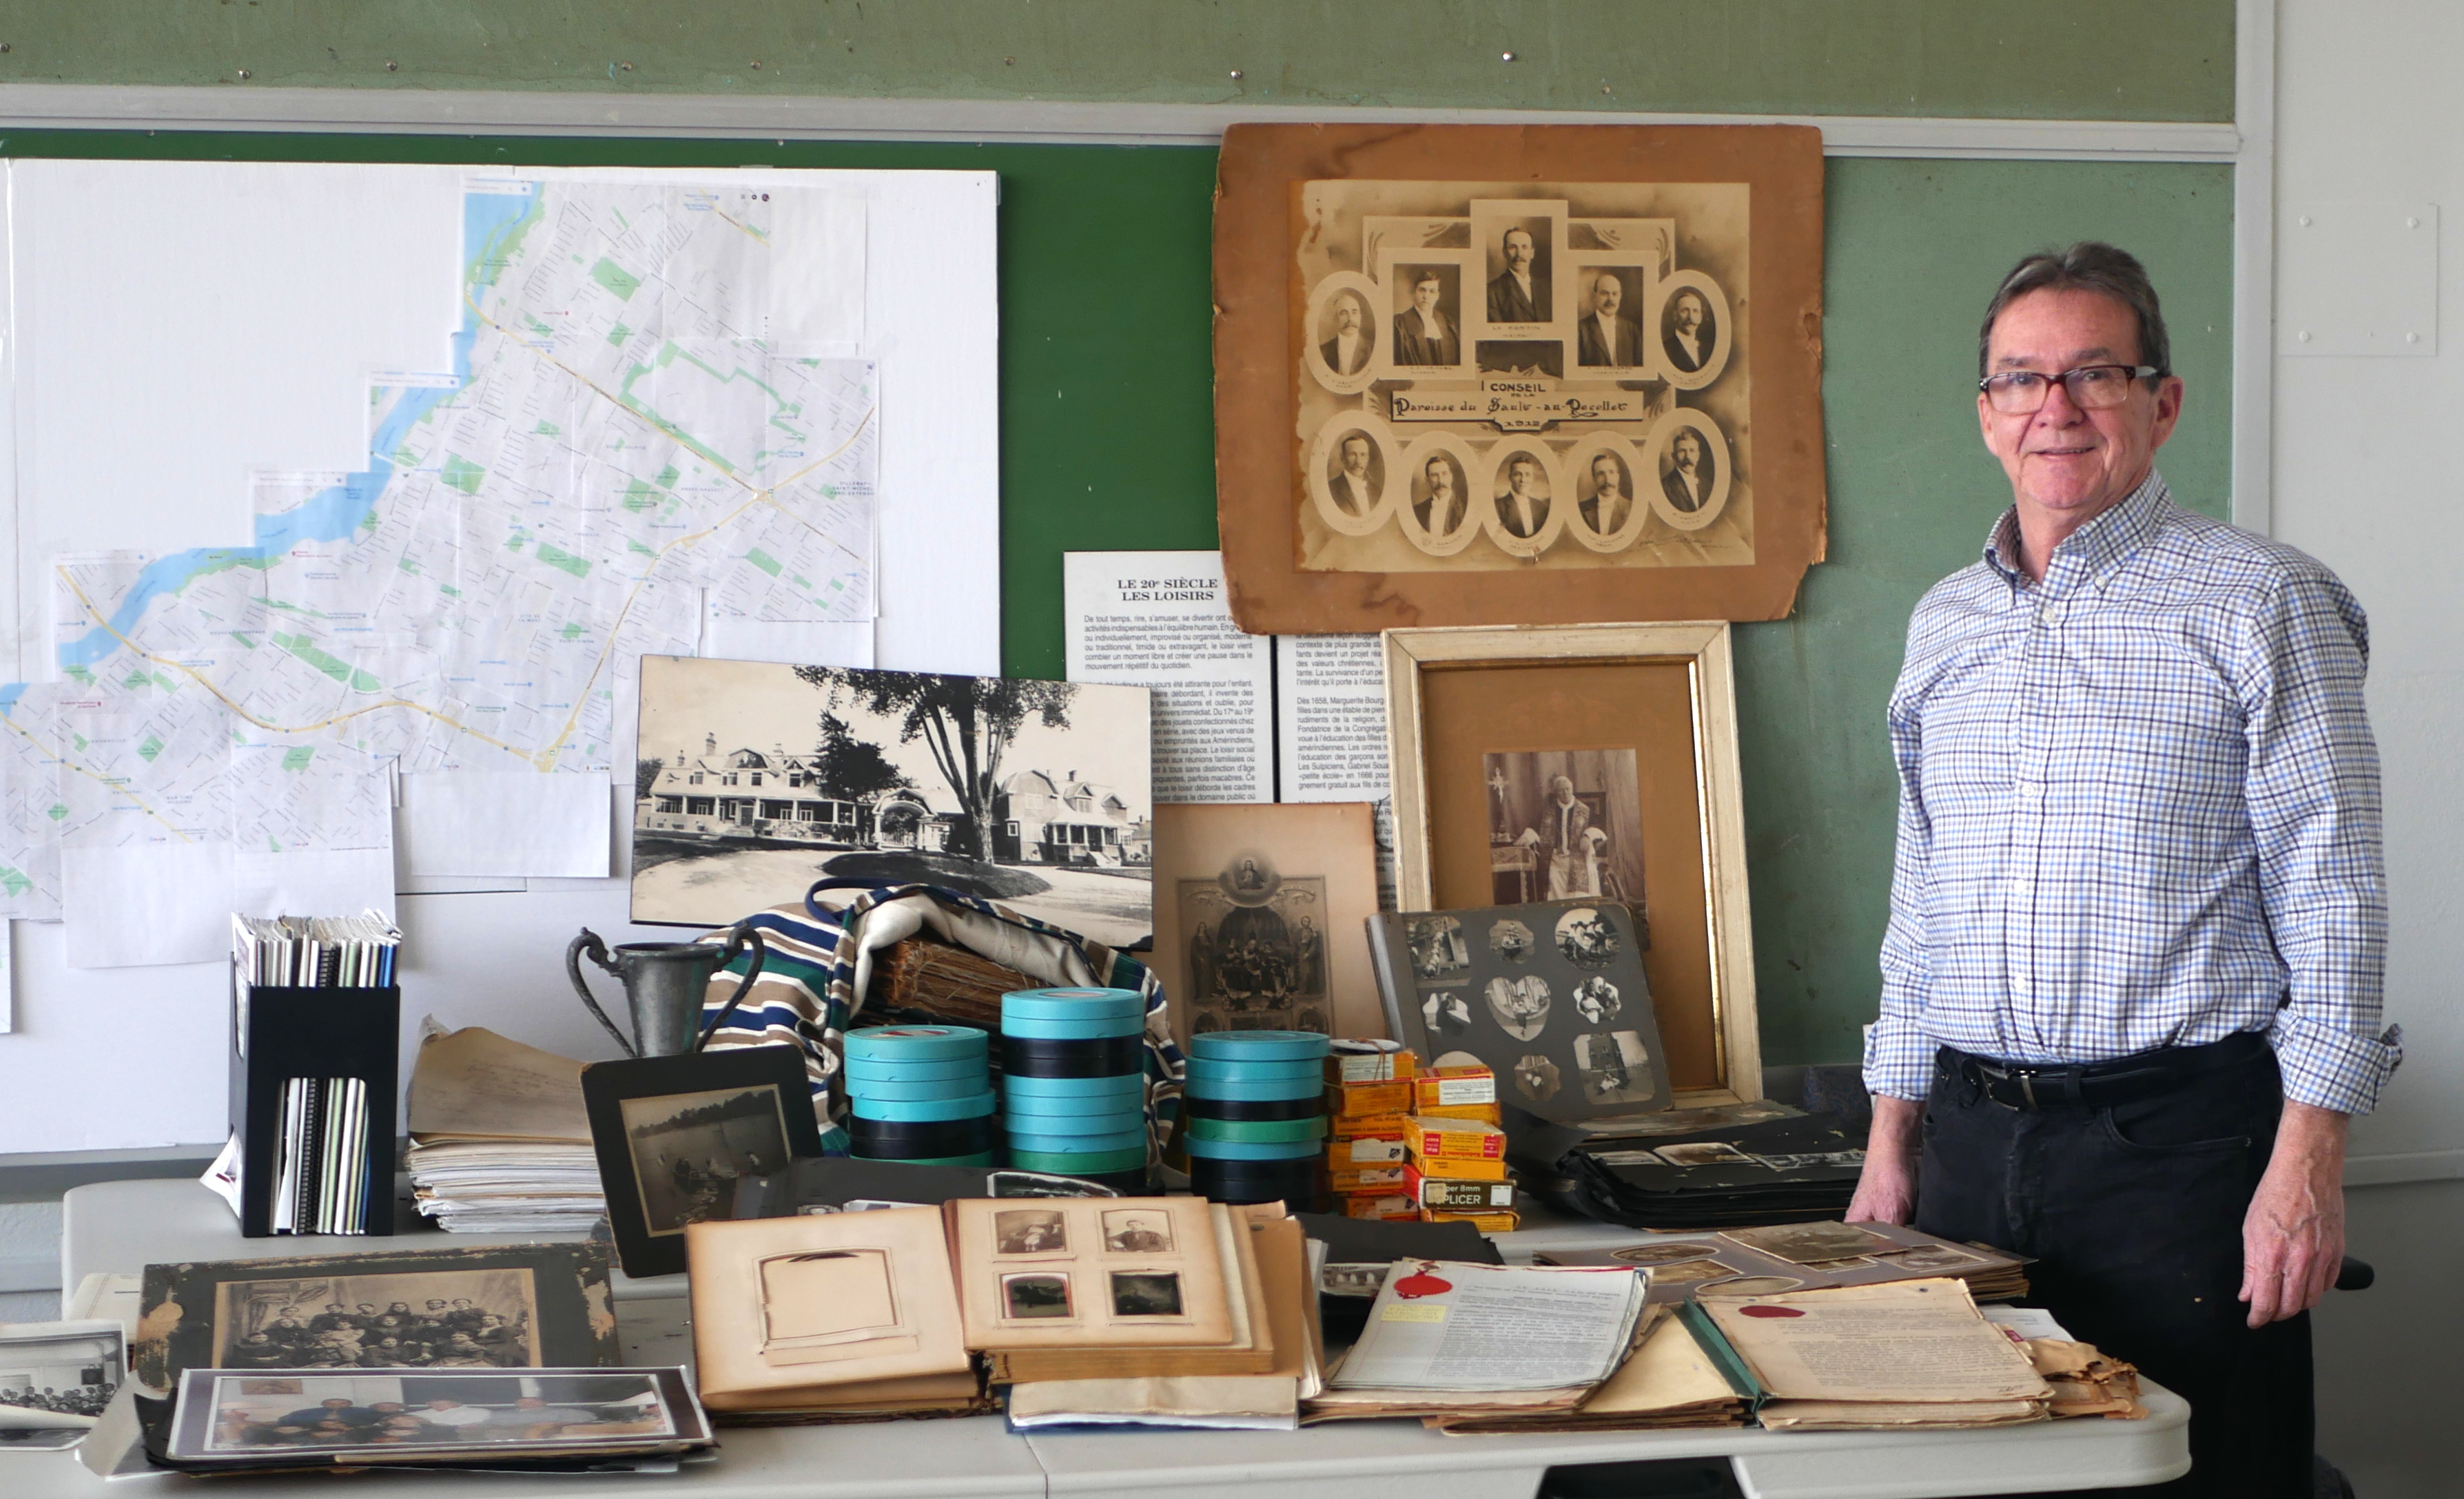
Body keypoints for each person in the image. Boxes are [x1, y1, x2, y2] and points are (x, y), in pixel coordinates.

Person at [1846, 242, 2399, 1499]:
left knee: (2207, 1482)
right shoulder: (1945, 623)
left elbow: (2338, 900)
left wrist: (2307, 1164)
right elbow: (1920, 897)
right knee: (1985, 1482)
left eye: (2095, 374)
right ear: (1985, 412)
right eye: (2023, 379)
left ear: (2163, 400)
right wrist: (1893, 1144)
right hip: (1972, 1154)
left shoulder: (2265, 602)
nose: (2057, 408)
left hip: (2184, 1152)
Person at [1519, 775, 1607, 898]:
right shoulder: (1548, 812)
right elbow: (1534, 828)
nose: (1565, 793)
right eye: (1561, 790)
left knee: (1580, 897)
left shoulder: (1584, 811)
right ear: (1556, 793)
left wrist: (1587, 836)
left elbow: (1598, 826)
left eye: (1568, 789)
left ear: (1572, 789)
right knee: (1556, 893)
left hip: (1580, 858)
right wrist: (1526, 838)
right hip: (1557, 861)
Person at [1393, 267, 1459, 365]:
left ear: (1437, 296)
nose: (1426, 296)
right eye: (1422, 290)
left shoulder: (1446, 321)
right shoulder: (1400, 323)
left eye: (1432, 291)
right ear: (1414, 292)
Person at [1576, 271, 1642, 366]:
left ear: (1620, 296)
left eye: (1614, 294)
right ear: (1595, 296)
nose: (1610, 299)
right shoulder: (1580, 330)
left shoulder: (1631, 329)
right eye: (1604, 294)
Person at [1486, 225, 1548, 324]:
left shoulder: (1547, 289)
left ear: (1532, 253)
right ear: (1504, 252)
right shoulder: (1492, 291)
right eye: (1513, 247)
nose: (1519, 254)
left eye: (1524, 247)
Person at [1492, 452, 1549, 539]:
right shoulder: (1497, 507)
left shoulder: (1541, 507)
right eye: (1517, 474)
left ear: (1532, 479)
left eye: (1527, 474)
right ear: (1510, 477)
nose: (1523, 480)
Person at [1413, 453, 1468, 539]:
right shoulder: (1417, 511)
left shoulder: (1465, 509)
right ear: (1427, 480)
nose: (1440, 480)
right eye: (1434, 475)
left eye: (1444, 474)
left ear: (1451, 477)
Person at [1660, 428, 1712, 513]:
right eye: (1682, 451)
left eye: (1692, 451)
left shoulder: (1708, 486)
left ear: (1698, 456)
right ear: (1674, 456)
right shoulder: (1664, 487)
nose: (1688, 457)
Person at [1579, 451, 1632, 536]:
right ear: (1594, 478)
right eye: (1601, 474)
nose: (1607, 480)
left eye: (1611, 472)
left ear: (1618, 476)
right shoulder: (1581, 509)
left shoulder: (1632, 508)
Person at [1318, 293, 1372, 375]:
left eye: (1354, 312)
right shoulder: (1322, 352)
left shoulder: (1372, 350)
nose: (1350, 318)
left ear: (1360, 317)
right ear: (1336, 319)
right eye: (1344, 313)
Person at [1329, 433, 1377, 517]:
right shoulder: (1331, 489)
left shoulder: (1376, 490)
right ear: (1343, 458)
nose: (1358, 462)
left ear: (1368, 458)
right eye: (1353, 455)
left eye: (1363, 455)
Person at [1662, 289, 1710, 372]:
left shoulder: (1708, 349)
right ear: (1675, 315)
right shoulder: (1665, 349)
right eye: (1685, 311)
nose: (1690, 317)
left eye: (1695, 311)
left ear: (1701, 317)